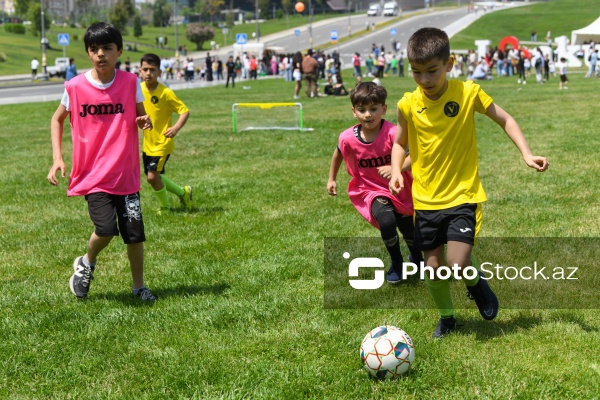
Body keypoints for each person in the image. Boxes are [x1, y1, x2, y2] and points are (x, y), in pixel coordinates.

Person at [388, 27, 549, 338]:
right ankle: (447, 318)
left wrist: (527, 154)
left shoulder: (468, 93)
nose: (425, 79)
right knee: (433, 269)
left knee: (457, 264)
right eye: (417, 72)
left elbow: (505, 119)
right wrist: (397, 170)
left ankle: (476, 284)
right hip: (425, 200)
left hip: (463, 194)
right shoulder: (407, 104)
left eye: (432, 71)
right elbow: (399, 142)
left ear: (449, 64)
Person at [46, 22, 156, 301]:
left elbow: (143, 117)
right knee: (106, 230)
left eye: (107, 48)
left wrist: (144, 121)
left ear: (119, 51)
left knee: (134, 235)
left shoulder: (131, 83)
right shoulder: (75, 87)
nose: (101, 54)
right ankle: (87, 261)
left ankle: (138, 287)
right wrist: (58, 158)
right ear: (88, 53)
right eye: (94, 49)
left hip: (126, 175)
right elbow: (57, 119)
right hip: (93, 175)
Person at [327, 82, 423, 283]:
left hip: (400, 189)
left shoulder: (393, 132)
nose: (368, 115)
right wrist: (332, 178)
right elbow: (338, 154)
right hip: (370, 190)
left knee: (409, 230)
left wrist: (396, 169)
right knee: (387, 221)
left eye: (373, 109)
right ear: (354, 112)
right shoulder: (347, 138)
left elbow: (414, 155)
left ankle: (418, 259)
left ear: (384, 109)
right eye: (362, 110)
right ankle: (397, 262)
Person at [138, 53, 192, 216]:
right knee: (153, 176)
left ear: (159, 73)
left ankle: (165, 207)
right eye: (145, 69)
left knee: (152, 177)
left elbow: (184, 111)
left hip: (163, 142)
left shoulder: (166, 93)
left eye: (152, 70)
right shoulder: (138, 90)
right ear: (140, 71)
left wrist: (175, 128)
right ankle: (183, 193)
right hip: (148, 142)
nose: (148, 73)